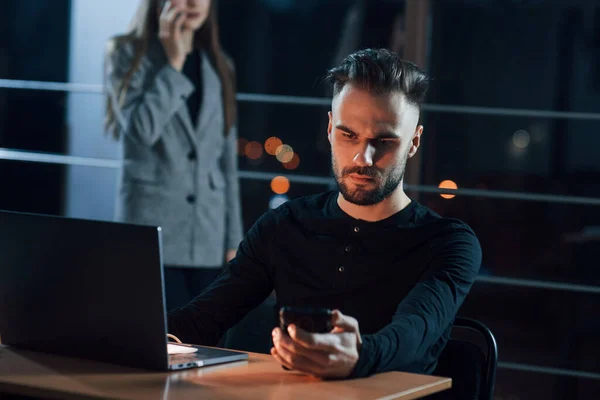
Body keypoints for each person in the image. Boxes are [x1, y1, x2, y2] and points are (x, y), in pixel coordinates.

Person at [167, 48, 482, 379]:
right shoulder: (284, 226)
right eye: (349, 135)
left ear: (414, 142)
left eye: (384, 141)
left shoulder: (449, 243)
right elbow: (203, 318)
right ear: (330, 128)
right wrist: (128, 334)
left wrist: (359, 356)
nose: (363, 157)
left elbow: (413, 331)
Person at [104, 0, 242, 310]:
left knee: (208, 345)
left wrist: (234, 243)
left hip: (208, 234)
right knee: (160, 340)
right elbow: (141, 131)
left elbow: (226, 164)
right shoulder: (126, 53)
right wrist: (174, 61)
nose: (193, 3)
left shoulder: (220, 64)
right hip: (152, 233)